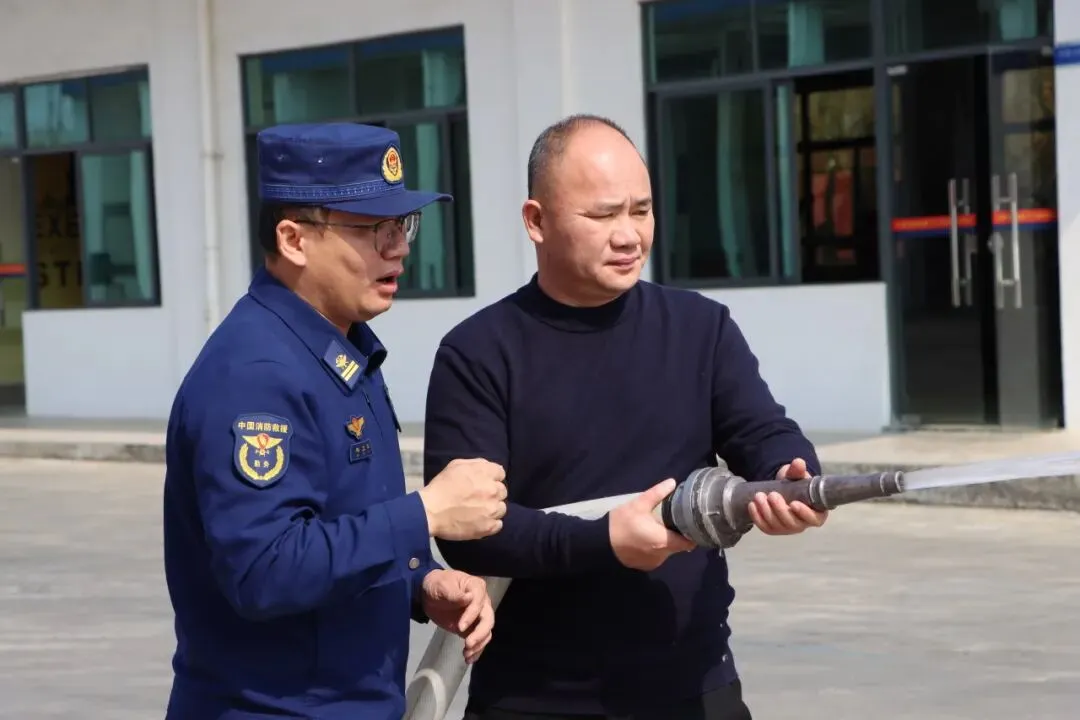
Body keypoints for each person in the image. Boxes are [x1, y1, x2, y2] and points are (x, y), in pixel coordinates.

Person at [422, 114, 828, 720]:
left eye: (642, 210)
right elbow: (472, 535)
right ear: (536, 221)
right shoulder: (479, 352)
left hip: (694, 685)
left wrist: (788, 473)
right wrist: (605, 542)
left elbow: (763, 431)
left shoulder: (700, 328)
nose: (629, 235)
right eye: (603, 215)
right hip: (537, 697)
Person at [162, 122, 509, 719]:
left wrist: (420, 581)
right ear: (294, 239)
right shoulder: (257, 374)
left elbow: (342, 525)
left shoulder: (338, 350)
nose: (397, 248)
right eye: (372, 229)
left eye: (403, 225)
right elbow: (266, 569)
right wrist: (426, 512)